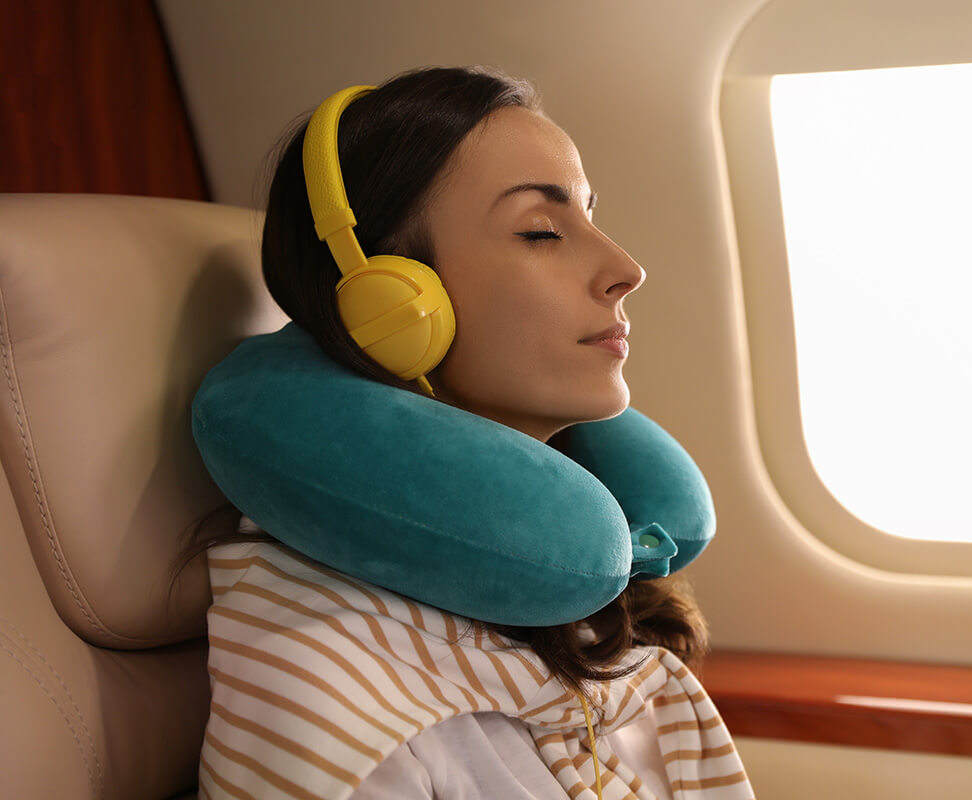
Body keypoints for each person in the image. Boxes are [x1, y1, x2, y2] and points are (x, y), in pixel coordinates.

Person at [191, 65, 755, 799]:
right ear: (392, 304)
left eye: (589, 215)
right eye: (542, 230)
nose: (626, 268)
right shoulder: (332, 679)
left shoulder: (582, 600)